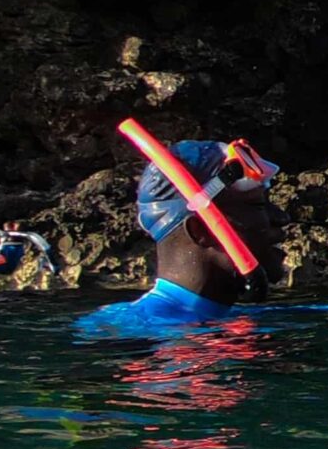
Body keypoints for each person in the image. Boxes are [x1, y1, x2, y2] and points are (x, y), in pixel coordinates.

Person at [80, 134, 286, 330]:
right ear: (202, 230)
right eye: (258, 205)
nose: (282, 217)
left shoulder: (230, 320)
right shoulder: (125, 330)